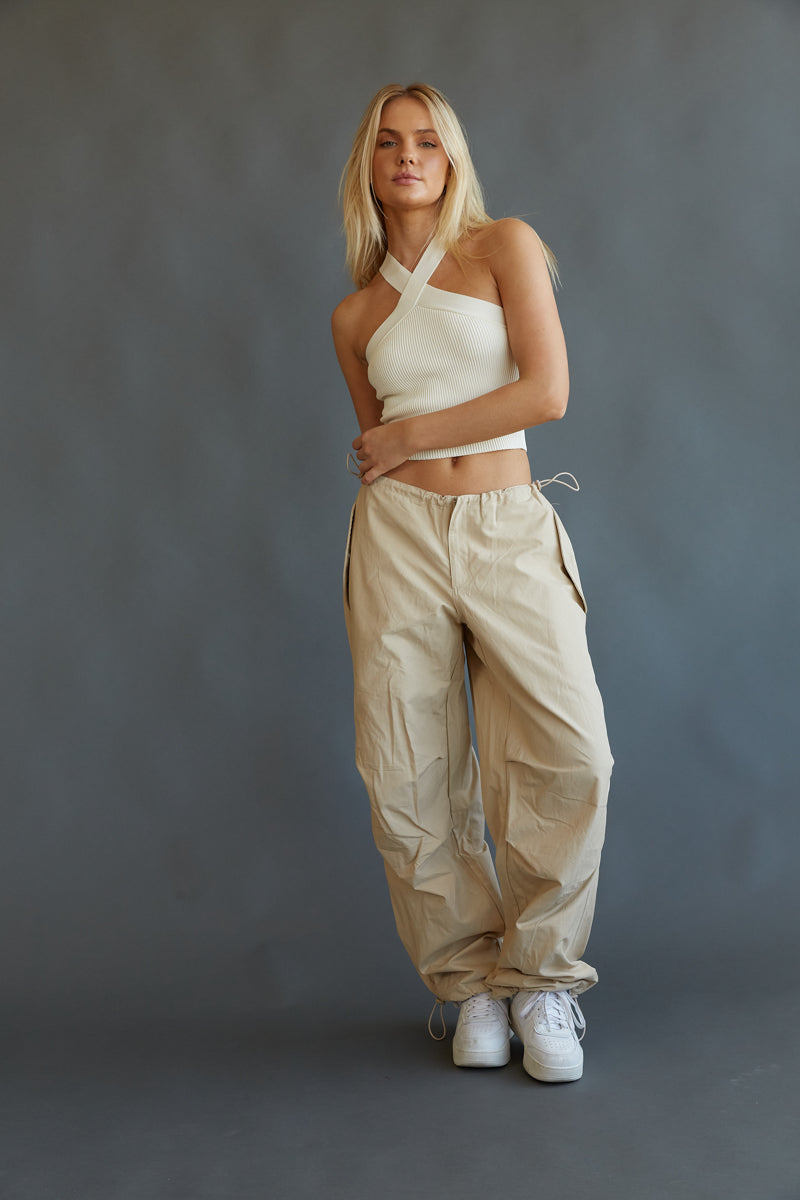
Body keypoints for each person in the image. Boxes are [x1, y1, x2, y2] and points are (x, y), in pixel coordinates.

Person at [332, 82, 613, 1083]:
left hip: (505, 525)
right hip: (398, 538)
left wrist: (411, 431)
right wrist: (398, 447)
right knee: (407, 772)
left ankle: (541, 980)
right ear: (368, 168)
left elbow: (546, 391)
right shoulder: (355, 313)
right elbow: (373, 454)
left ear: (450, 158)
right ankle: (469, 987)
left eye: (425, 141)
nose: (407, 156)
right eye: (387, 143)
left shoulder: (503, 248)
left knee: (568, 752)